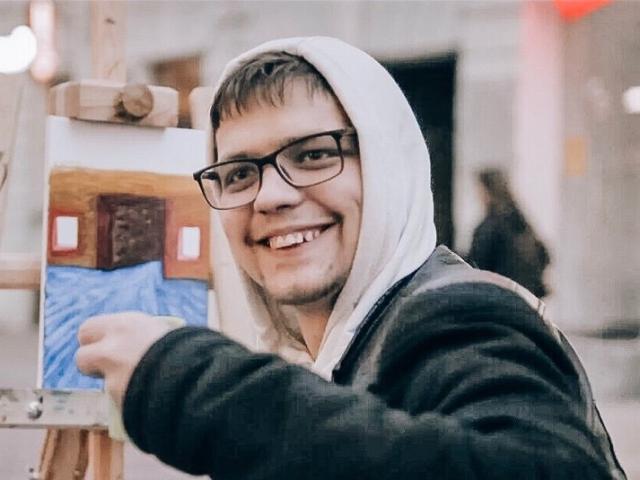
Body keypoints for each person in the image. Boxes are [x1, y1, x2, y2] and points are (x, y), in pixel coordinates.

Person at [76, 37, 626, 479]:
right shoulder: (348, 347)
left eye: (314, 154)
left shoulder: (457, 315)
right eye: (240, 173)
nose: (271, 196)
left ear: (386, 168)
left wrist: (187, 381)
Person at [469, 168, 550, 298]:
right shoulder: (520, 222)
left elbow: (478, 267)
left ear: (487, 191)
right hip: (525, 297)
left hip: (500, 298)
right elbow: (544, 255)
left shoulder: (490, 227)